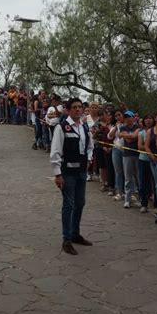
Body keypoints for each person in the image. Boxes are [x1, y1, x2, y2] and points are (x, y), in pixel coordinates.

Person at [50, 97, 94, 255]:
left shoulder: (84, 127)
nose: (77, 109)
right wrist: (57, 174)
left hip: (81, 171)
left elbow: (90, 146)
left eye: (79, 107)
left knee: (80, 203)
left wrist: (89, 159)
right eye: (74, 107)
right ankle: (66, 239)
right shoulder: (62, 128)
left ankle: (75, 234)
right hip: (67, 172)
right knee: (68, 205)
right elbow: (55, 151)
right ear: (68, 110)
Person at [119, 110, 140, 209]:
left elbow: (134, 136)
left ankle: (140, 199)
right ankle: (127, 199)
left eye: (129, 117)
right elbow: (128, 139)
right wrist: (128, 136)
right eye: (126, 117)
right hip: (127, 155)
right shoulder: (123, 127)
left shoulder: (137, 127)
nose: (127, 119)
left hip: (137, 154)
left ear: (133, 117)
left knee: (138, 177)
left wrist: (123, 135)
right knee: (128, 178)